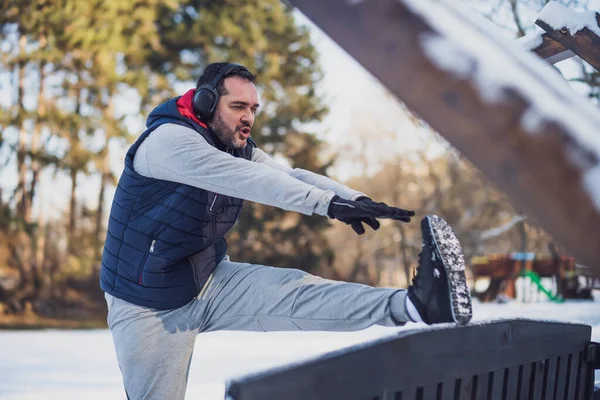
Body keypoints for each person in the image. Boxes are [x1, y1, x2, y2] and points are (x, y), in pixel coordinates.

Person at [100, 62, 472, 399]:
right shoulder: (168, 142)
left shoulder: (237, 147)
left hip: (206, 278)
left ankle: (416, 305)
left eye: (253, 109)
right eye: (238, 107)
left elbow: (287, 175)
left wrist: (352, 197)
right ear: (205, 102)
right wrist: (326, 205)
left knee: (300, 293)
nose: (248, 118)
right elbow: (252, 181)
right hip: (145, 301)